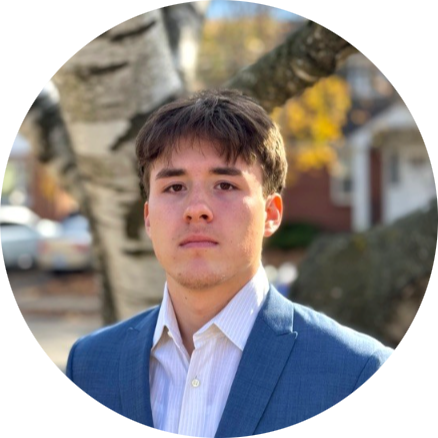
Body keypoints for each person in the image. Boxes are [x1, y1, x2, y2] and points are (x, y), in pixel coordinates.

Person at [65, 89, 394, 437]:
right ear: (148, 218)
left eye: (224, 184)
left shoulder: (358, 373)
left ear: (271, 213)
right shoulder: (88, 366)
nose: (196, 209)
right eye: (174, 187)